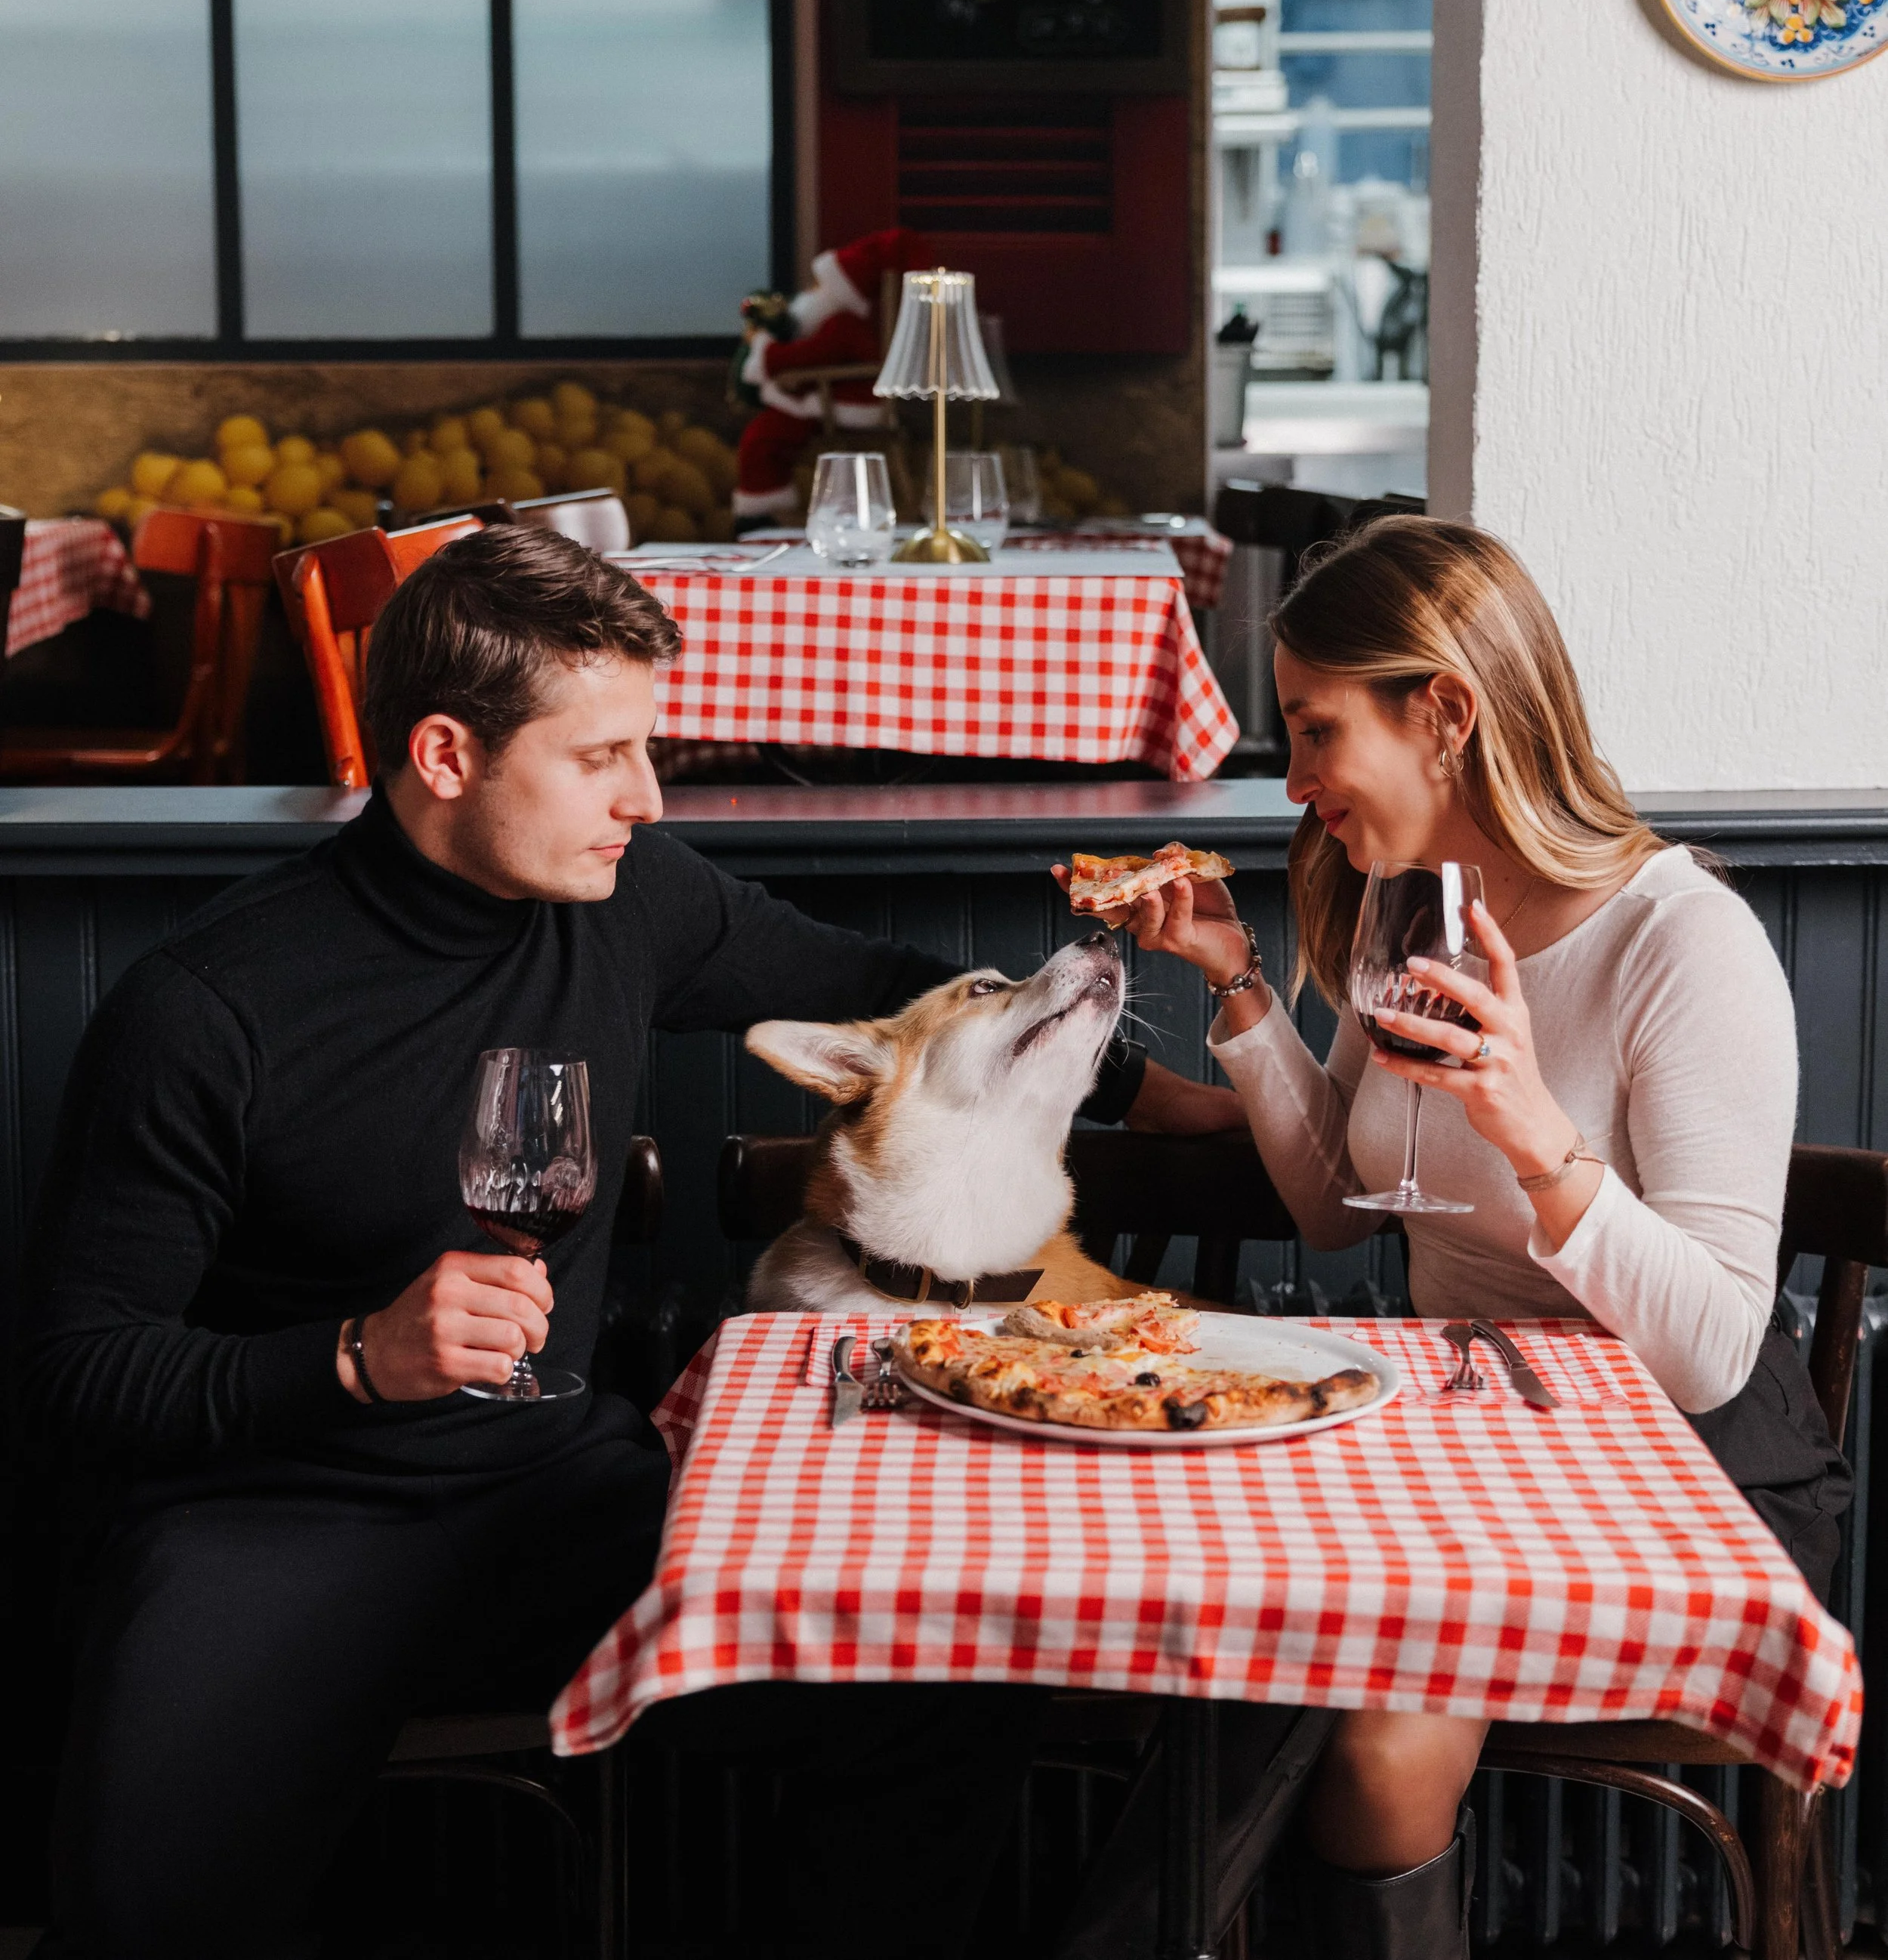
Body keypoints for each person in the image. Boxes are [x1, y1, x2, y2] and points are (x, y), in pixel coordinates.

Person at [14, 522, 1239, 1960]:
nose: (646, 800)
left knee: (944, 1678)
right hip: (276, 1523)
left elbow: (881, 988)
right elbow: (77, 1374)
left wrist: (1172, 1104)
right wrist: (354, 1360)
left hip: (561, 1497)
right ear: (447, 757)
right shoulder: (205, 1007)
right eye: (601, 760)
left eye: (645, 750)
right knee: (143, 1909)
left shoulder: (630, 899)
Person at [1066, 516, 1851, 1959]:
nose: (1295, 783)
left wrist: (1530, 1127)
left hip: (1686, 1476)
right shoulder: (1409, 911)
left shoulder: (1685, 940)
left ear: (1445, 712)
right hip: (1462, 1448)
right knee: (1279, 1623)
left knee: (1352, 1699)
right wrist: (1241, 989)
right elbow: (1335, 1207)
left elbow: (1710, 1350)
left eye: (1314, 731)